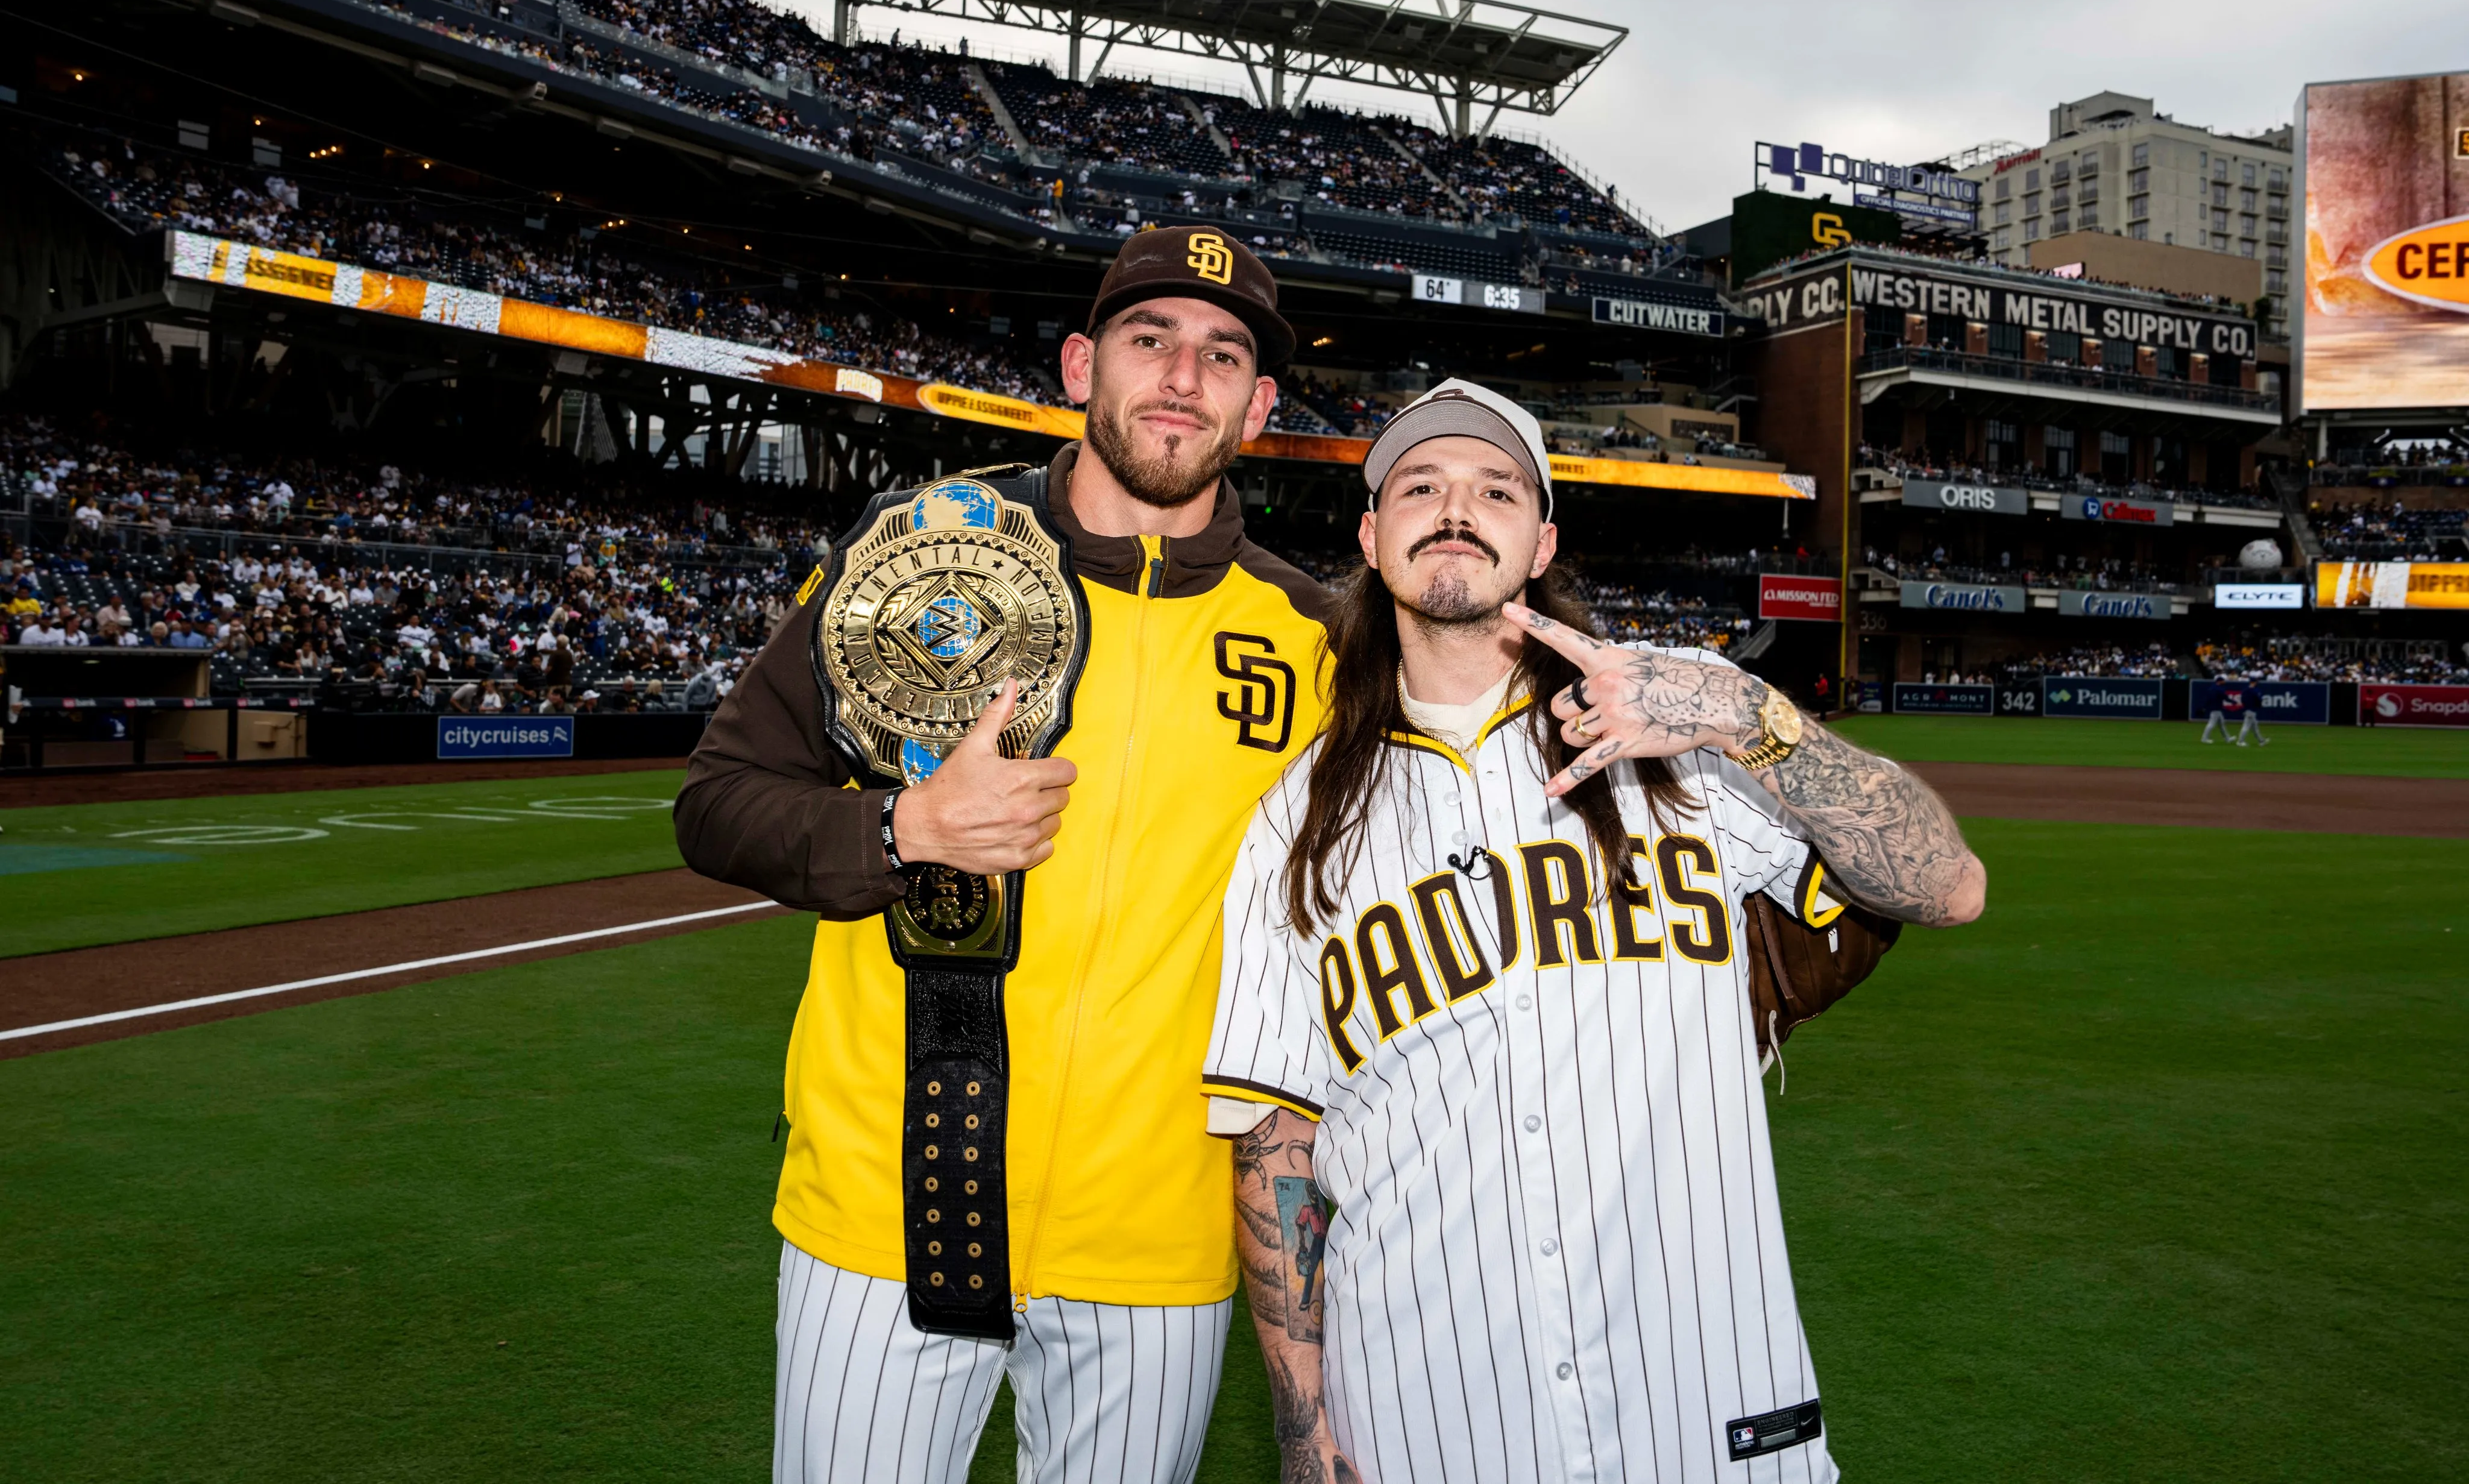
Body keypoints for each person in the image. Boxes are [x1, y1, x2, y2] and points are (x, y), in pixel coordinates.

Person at [1204, 380, 1988, 1483]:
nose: (1456, 507)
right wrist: (1302, 1431)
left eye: (1497, 489)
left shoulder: (1688, 729)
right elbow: (1273, 1138)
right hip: (1428, 1418)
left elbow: (1947, 885)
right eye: (1421, 486)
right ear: (1372, 539)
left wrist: (1750, 717)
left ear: (1543, 543)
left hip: (1711, 1401)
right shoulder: (1295, 825)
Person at [675, 226, 1332, 1483]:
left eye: (1222, 355)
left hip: (1157, 1245)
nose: (1181, 377)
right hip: (886, 1210)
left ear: (1258, 407)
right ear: (1082, 366)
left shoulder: (1313, 638)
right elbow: (717, 803)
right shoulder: (920, 549)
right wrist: (899, 829)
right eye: (1149, 339)